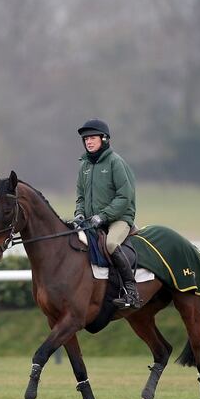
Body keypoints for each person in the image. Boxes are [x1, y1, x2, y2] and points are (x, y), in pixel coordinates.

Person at [71, 119, 141, 309]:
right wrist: (79, 214)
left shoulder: (116, 163)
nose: (88, 142)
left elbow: (124, 197)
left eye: (92, 138)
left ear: (104, 139)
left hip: (119, 219)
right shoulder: (84, 165)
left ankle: (131, 292)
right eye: (86, 139)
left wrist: (103, 216)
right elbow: (80, 196)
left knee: (110, 244)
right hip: (92, 221)